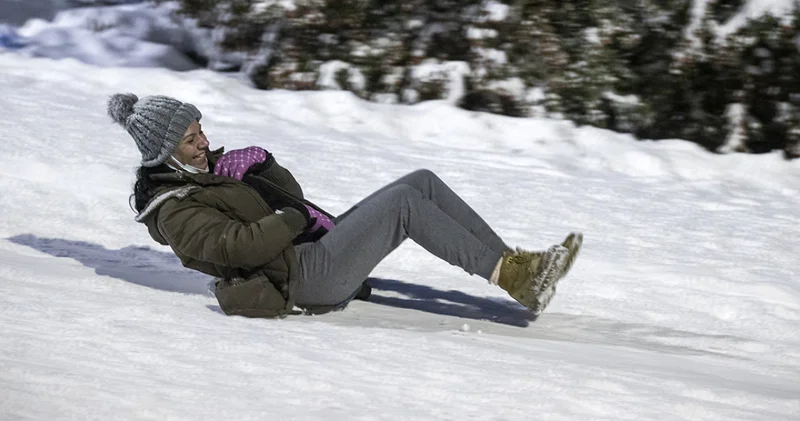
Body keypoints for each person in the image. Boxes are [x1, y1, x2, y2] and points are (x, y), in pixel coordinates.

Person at [109, 93, 582, 319]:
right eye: (191, 139)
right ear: (164, 152)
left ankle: (516, 267)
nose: (204, 142)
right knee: (403, 205)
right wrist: (289, 219)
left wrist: (263, 167)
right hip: (299, 278)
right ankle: (517, 278)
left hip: (308, 250)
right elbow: (235, 248)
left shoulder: (209, 170)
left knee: (421, 182)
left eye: (201, 129)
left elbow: (293, 194)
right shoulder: (173, 208)